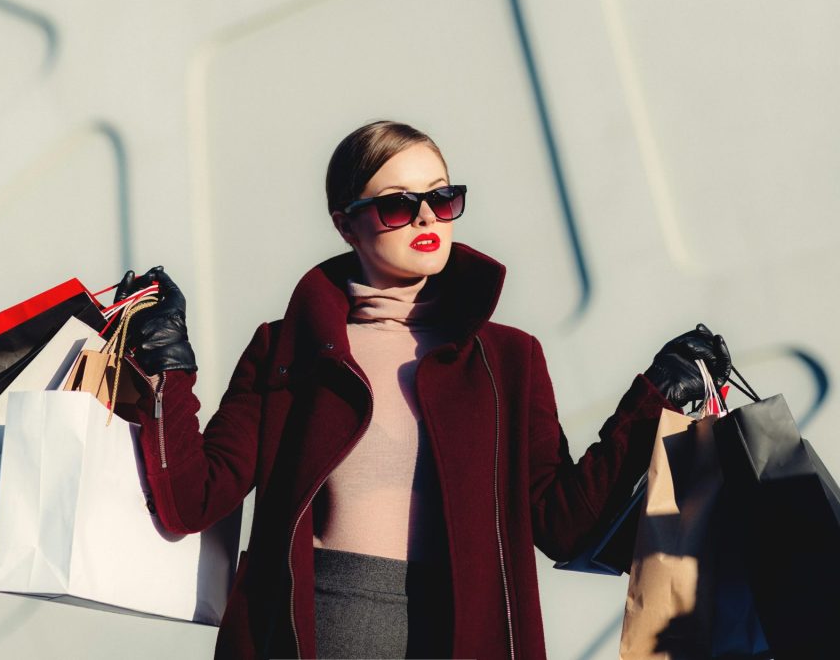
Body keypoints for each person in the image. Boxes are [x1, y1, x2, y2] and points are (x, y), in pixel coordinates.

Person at [112, 120, 731, 659]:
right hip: (320, 632)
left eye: (443, 196)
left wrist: (654, 398)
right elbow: (192, 499)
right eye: (398, 205)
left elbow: (562, 524)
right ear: (346, 223)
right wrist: (168, 366)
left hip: (467, 634)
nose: (429, 218)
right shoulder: (288, 348)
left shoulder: (508, 359)